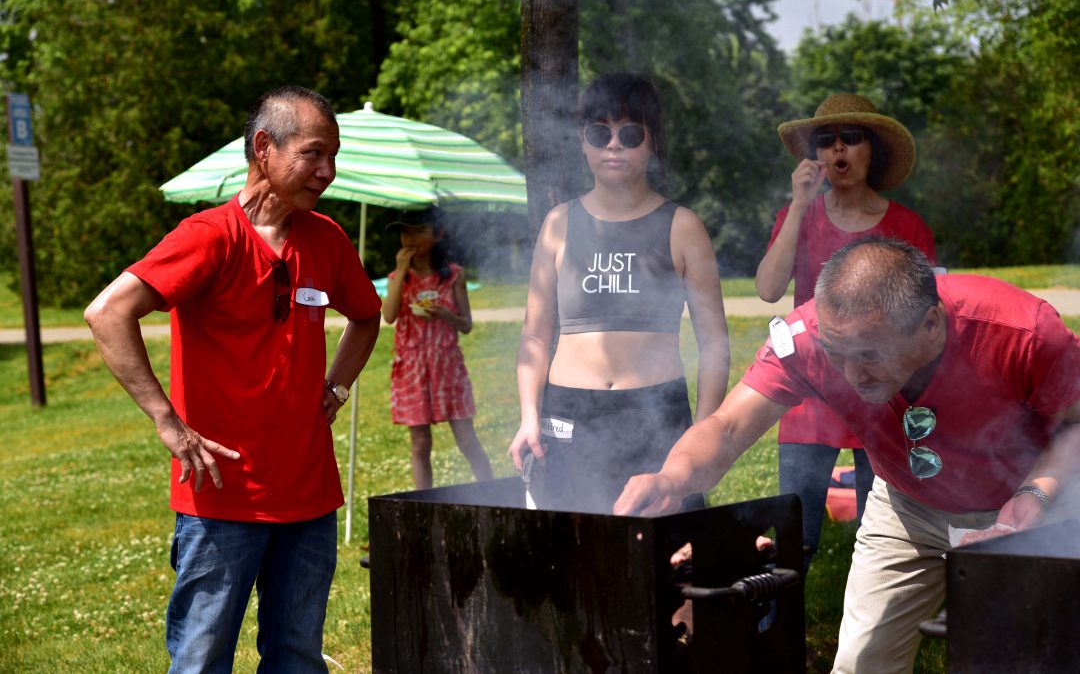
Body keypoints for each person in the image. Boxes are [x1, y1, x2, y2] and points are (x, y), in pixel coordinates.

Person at [615, 237, 1080, 673]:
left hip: (1032, 504)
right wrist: (671, 478)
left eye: (870, 355)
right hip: (907, 510)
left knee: (1030, 658)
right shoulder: (811, 338)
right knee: (862, 662)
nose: (852, 374)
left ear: (930, 324)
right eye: (838, 353)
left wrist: (1033, 499)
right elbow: (729, 426)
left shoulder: (1022, 332)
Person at [83, 86, 382, 672]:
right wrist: (167, 421)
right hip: (220, 498)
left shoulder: (327, 238)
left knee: (297, 657)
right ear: (265, 148)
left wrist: (336, 387)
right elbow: (107, 313)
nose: (328, 171)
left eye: (334, 156)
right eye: (315, 154)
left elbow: (367, 317)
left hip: (309, 495)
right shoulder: (208, 236)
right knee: (201, 658)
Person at [508, 73, 730, 513]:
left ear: (652, 143)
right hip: (569, 418)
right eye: (600, 132)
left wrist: (703, 433)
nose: (614, 145)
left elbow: (715, 343)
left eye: (630, 134)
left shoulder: (683, 226)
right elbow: (535, 336)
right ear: (582, 141)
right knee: (572, 555)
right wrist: (529, 416)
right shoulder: (558, 224)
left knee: (661, 559)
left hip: (656, 419)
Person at [756, 93, 938, 570]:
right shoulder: (799, 216)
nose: (839, 149)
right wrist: (797, 207)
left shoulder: (906, 225)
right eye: (826, 140)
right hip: (810, 387)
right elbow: (768, 288)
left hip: (881, 392)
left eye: (851, 138)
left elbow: (930, 316)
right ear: (814, 156)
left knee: (884, 536)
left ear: (871, 148)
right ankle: (777, 627)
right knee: (793, 533)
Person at [381, 213, 493, 489]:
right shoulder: (398, 277)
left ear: (438, 234)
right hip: (411, 368)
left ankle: (492, 491)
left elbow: (466, 325)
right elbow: (389, 315)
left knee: (466, 439)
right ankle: (424, 503)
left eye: (419, 231)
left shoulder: (454, 275)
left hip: (447, 365)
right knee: (420, 443)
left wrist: (445, 314)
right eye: (405, 233)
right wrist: (400, 269)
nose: (410, 239)